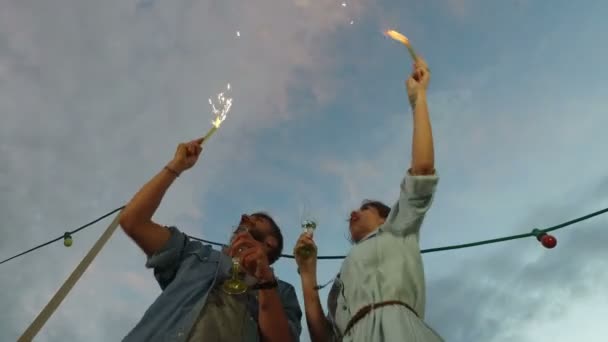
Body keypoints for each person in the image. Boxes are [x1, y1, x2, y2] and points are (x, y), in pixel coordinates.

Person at [294, 57, 443, 341]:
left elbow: (422, 170)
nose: (354, 212)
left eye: (365, 208)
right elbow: (322, 337)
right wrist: (307, 274)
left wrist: (418, 99)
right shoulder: (342, 279)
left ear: (387, 217)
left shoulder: (399, 230)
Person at [119, 137, 302, 342]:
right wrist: (176, 166)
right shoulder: (194, 254)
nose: (244, 218)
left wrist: (266, 284)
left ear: (271, 243)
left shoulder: (283, 292)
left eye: (256, 220)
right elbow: (132, 221)